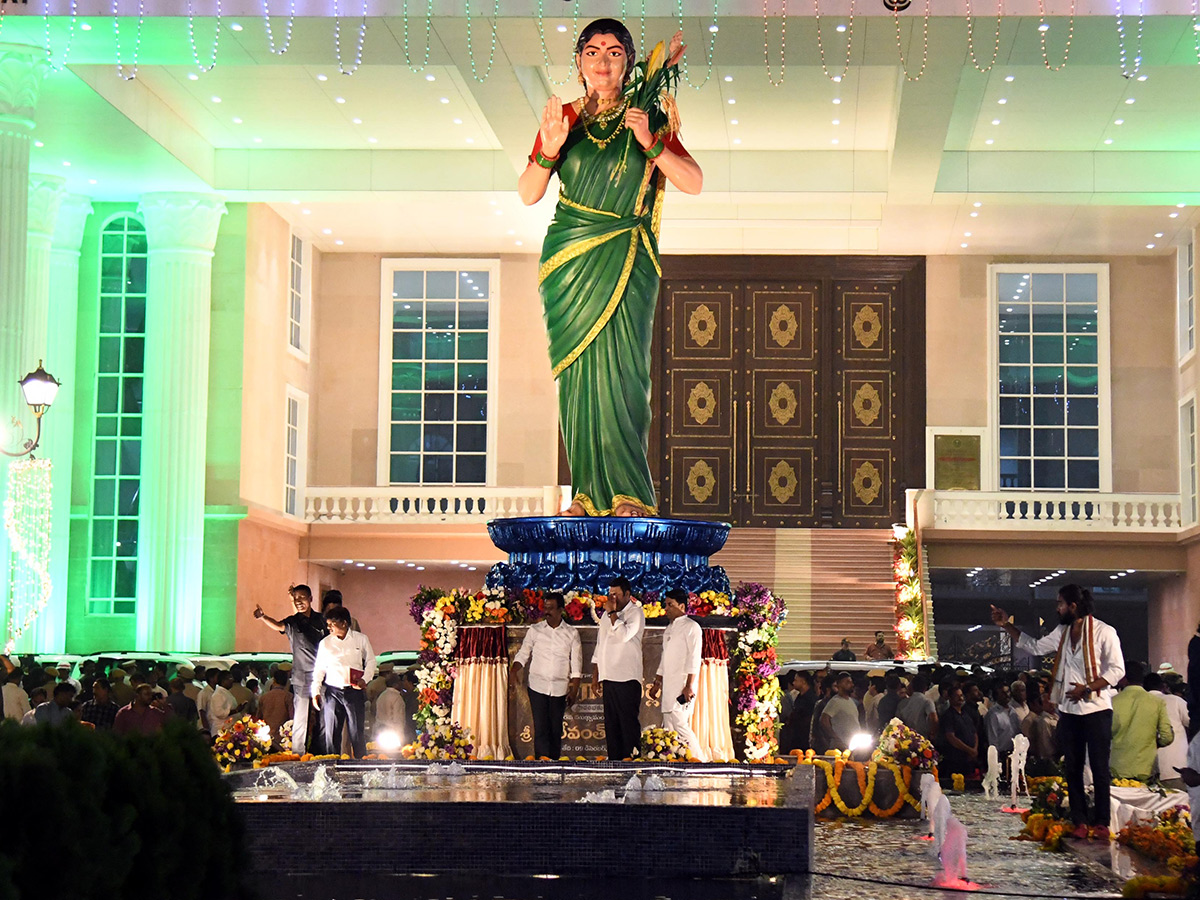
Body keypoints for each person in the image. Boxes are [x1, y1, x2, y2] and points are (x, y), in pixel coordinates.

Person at [518, 18, 701, 518]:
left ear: (629, 61)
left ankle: (628, 492)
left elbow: (693, 182)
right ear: (578, 62)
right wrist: (550, 147)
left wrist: (651, 142)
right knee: (578, 379)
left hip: (626, 258)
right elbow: (529, 192)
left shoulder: (649, 116)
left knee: (624, 375)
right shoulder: (565, 119)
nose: (603, 62)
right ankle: (584, 493)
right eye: (593, 52)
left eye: (615, 52)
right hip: (570, 261)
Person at [991, 585, 1125, 840]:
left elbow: (1117, 670)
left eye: (1060, 603)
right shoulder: (1062, 632)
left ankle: (1102, 822)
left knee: (1099, 768)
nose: (1057, 608)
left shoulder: (1104, 632)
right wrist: (1006, 625)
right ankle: (1080, 820)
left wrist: (1088, 688)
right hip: (1069, 710)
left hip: (1097, 709)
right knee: (1072, 767)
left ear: (1073, 606)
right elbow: (1036, 646)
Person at [254, 583, 328, 754]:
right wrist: (263, 617)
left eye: (302, 598)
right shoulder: (293, 622)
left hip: (323, 675)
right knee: (301, 717)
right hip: (302, 677)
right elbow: (279, 625)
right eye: (295, 599)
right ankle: (298, 753)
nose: (298, 601)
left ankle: (324, 751)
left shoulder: (322, 620)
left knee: (325, 716)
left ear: (311, 599)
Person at [512, 591, 583, 761]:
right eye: (545, 607)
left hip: (559, 688)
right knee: (541, 728)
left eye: (551, 608)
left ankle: (555, 766)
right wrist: (514, 670)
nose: (547, 611)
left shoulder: (571, 633)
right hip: (537, 685)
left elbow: (576, 664)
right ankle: (541, 767)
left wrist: (573, 690)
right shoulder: (535, 630)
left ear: (561, 610)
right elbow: (523, 653)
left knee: (555, 729)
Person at [591, 576, 646, 760]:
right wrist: (596, 675)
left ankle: (632, 765)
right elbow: (601, 644)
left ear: (628, 594)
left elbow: (623, 635)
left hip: (627, 678)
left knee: (627, 724)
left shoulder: (635, 613)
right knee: (611, 725)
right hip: (609, 676)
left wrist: (613, 614)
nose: (612, 598)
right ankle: (615, 764)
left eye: (616, 594)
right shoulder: (607, 616)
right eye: (610, 594)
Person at [311, 605, 376, 758]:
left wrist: (364, 679)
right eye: (327, 625)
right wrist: (315, 692)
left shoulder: (361, 639)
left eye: (331, 624)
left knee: (356, 732)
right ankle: (332, 766)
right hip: (332, 690)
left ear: (344, 623)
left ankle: (361, 766)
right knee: (331, 733)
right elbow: (319, 669)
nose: (329, 628)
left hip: (354, 690)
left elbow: (371, 662)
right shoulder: (325, 643)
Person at [652, 589, 706, 761]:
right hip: (669, 683)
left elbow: (694, 658)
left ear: (682, 606)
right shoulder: (669, 629)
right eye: (665, 604)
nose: (666, 609)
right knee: (668, 725)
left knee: (680, 724)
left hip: (683, 684)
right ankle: (674, 761)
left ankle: (700, 762)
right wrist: (657, 682)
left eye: (670, 605)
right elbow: (664, 657)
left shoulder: (692, 627)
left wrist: (689, 685)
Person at [1110, 660, 1173, 782]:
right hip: (1146, 769)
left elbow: (1104, 734)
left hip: (1117, 769)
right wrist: (1152, 743)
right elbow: (1167, 737)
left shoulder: (1112, 702)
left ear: (1123, 678)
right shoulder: (1157, 702)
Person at [1146, 671, 1190, 787]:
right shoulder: (1175, 701)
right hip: (1176, 768)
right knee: (1180, 804)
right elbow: (1192, 722)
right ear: (1163, 686)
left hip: (1145, 770)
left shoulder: (1139, 703)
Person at [940, 686, 979, 778]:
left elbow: (974, 733)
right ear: (950, 698)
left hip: (970, 759)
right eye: (957, 696)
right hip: (956, 760)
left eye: (961, 695)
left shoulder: (966, 714)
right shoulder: (948, 715)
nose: (960, 698)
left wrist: (974, 749)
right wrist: (969, 750)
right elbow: (951, 737)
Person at [820, 672, 861, 751]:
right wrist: (835, 737)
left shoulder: (852, 702)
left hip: (852, 746)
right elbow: (824, 720)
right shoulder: (835, 701)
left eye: (851, 682)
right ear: (838, 685)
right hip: (840, 747)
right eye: (847, 682)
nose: (851, 684)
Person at [779, 671, 815, 755]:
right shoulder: (799, 696)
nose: (793, 682)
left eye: (796, 680)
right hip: (796, 736)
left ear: (803, 682)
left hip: (804, 738)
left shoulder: (810, 699)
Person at [985, 682, 1021, 759]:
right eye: (1003, 693)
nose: (1007, 695)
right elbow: (992, 740)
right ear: (996, 696)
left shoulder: (1013, 711)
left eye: (1008, 692)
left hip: (1014, 753)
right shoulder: (993, 714)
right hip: (1002, 755)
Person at [898, 674, 939, 740]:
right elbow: (934, 718)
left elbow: (898, 721)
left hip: (905, 738)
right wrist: (932, 733)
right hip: (922, 739)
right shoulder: (927, 702)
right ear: (925, 688)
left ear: (911, 687)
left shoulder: (902, 702)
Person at [1022, 689, 1058, 763]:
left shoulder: (1055, 716)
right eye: (1048, 702)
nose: (1052, 704)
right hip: (1051, 758)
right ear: (1042, 704)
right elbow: (1045, 745)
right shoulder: (1043, 720)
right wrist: (1051, 759)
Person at [258, 669, 293, 745]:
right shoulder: (288, 696)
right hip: (283, 738)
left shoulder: (264, 697)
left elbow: (258, 718)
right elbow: (292, 718)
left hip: (266, 737)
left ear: (274, 680)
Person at [209, 671, 241, 735]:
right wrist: (235, 710)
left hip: (229, 728)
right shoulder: (218, 694)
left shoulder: (225, 692)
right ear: (223, 681)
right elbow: (219, 713)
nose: (232, 680)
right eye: (230, 678)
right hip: (221, 730)